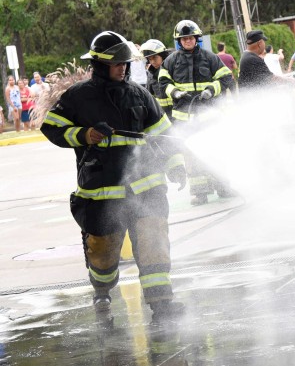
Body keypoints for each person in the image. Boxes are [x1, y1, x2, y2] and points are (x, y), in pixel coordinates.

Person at [40, 31, 187, 321]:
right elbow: (51, 127)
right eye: (117, 64)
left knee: (154, 242)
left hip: (146, 188)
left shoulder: (139, 94)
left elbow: (162, 132)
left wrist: (175, 163)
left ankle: (162, 304)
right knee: (103, 254)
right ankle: (102, 290)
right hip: (103, 193)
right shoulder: (78, 97)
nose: (123, 68)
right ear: (99, 65)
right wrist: (84, 134)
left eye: (125, 64)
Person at [159, 19, 236, 205]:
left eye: (190, 37)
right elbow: (163, 83)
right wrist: (176, 92)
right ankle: (200, 193)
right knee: (192, 156)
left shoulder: (210, 58)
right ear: (179, 41)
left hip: (209, 116)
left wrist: (211, 90)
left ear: (196, 38)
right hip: (184, 118)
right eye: (184, 38)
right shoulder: (171, 61)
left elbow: (226, 77)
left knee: (215, 151)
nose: (187, 41)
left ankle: (223, 186)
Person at [141, 39, 172, 117]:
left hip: (177, 114)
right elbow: (148, 96)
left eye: (155, 58)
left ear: (163, 55)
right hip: (162, 116)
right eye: (150, 59)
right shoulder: (151, 74)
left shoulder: (173, 70)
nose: (152, 62)